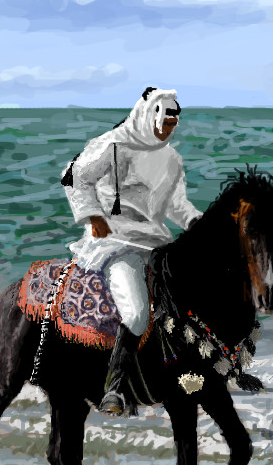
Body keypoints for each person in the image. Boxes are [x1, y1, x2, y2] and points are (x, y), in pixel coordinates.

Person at [62, 87, 202, 416]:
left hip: (156, 242)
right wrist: (92, 215)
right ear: (149, 115)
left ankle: (192, 375)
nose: (168, 129)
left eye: (173, 123)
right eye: (164, 121)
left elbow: (177, 205)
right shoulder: (113, 144)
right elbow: (74, 176)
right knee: (137, 313)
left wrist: (198, 222)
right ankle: (115, 388)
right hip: (115, 241)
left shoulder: (171, 159)